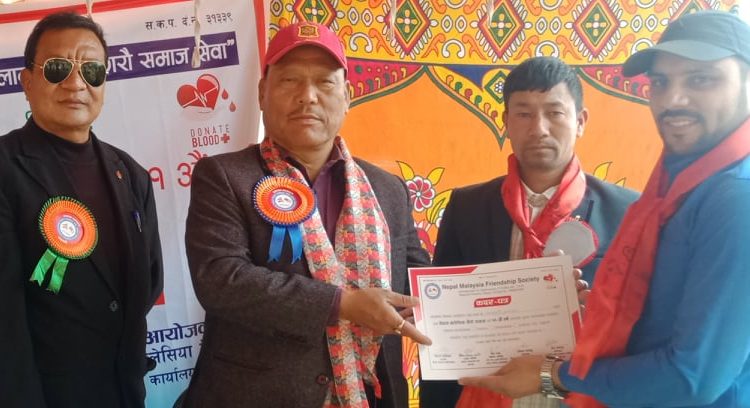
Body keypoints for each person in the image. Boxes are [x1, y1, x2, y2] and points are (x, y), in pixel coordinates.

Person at [457, 10, 750, 408]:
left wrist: (552, 375)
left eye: (701, 79)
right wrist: (593, 308)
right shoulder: (671, 192)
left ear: (580, 121)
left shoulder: (734, 198)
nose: (673, 100)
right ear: (506, 121)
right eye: (660, 82)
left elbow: (692, 376)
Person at [182, 21, 431, 408]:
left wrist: (481, 304)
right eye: (289, 80)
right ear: (262, 94)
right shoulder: (224, 176)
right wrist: (342, 304)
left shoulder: (388, 189)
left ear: (347, 97)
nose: (307, 96)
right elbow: (221, 279)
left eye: (324, 83)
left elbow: (420, 280)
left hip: (371, 394)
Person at [419, 56, 638, 408]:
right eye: (524, 114)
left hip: (581, 395)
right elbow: (442, 325)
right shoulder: (466, 207)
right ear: (506, 122)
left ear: (580, 121)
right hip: (483, 394)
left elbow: (639, 324)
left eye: (555, 112)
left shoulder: (626, 211)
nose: (539, 128)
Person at [0, 11, 164, 408]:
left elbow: (149, 282)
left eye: (92, 70)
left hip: (125, 392)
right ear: (27, 81)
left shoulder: (131, 174)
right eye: (58, 68)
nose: (76, 83)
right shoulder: (5, 168)